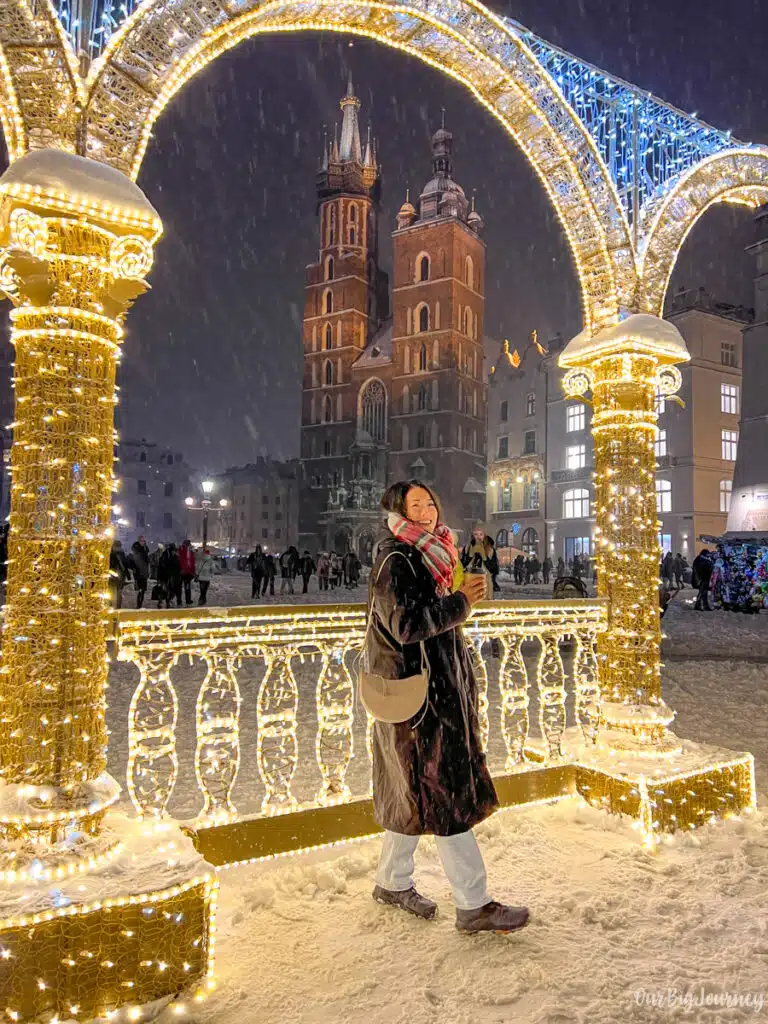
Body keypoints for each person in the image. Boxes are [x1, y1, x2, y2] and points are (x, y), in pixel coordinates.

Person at [367, 480, 529, 933]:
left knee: (414, 788)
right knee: (445, 792)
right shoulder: (396, 559)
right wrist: (461, 603)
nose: (426, 510)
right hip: (420, 700)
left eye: (430, 501)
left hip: (431, 692)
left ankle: (392, 881)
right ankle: (474, 904)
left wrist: (460, 597)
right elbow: (405, 624)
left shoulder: (434, 554)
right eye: (414, 504)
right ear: (398, 512)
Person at [460, 523, 500, 593]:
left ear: (484, 535)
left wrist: (484, 556)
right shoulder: (467, 548)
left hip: (485, 584)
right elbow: (462, 566)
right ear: (473, 535)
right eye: (476, 534)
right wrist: (470, 556)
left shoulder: (490, 549)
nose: (478, 537)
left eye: (481, 534)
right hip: (470, 582)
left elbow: (494, 569)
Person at [157, 543, 182, 608]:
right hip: (164, 576)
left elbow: (178, 566)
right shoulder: (165, 556)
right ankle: (162, 602)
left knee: (172, 590)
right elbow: (161, 567)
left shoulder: (175, 556)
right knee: (164, 590)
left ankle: (168, 601)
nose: (174, 552)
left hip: (172, 576)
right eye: (173, 550)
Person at [129, 535, 150, 609]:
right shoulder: (137, 550)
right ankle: (139, 604)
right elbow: (135, 562)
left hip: (144, 572)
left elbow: (147, 562)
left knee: (143, 590)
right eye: (141, 541)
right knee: (140, 590)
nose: (143, 542)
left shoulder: (145, 550)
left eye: (143, 541)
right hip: (138, 573)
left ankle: (140, 604)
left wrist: (147, 571)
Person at [109, 539, 131, 608]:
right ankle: (111, 606)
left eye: (119, 546)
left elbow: (125, 565)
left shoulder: (121, 554)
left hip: (120, 577)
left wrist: (127, 575)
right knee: (111, 593)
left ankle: (118, 607)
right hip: (112, 576)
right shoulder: (110, 554)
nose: (118, 548)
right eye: (116, 546)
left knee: (119, 594)